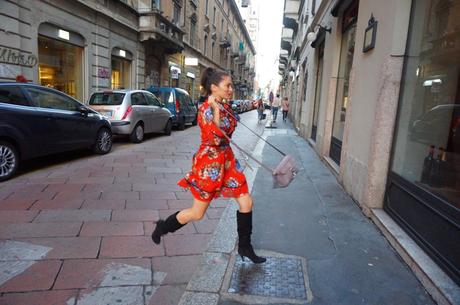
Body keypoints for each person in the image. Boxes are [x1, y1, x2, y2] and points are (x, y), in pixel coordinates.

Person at [151, 67, 266, 264]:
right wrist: (214, 110)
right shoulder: (205, 110)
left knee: (246, 202)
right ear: (214, 87)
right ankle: (163, 227)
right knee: (197, 213)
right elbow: (214, 137)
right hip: (209, 165)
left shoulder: (226, 106)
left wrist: (257, 104)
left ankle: (245, 247)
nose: (231, 89)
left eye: (230, 86)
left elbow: (236, 119)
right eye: (227, 86)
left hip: (227, 162)